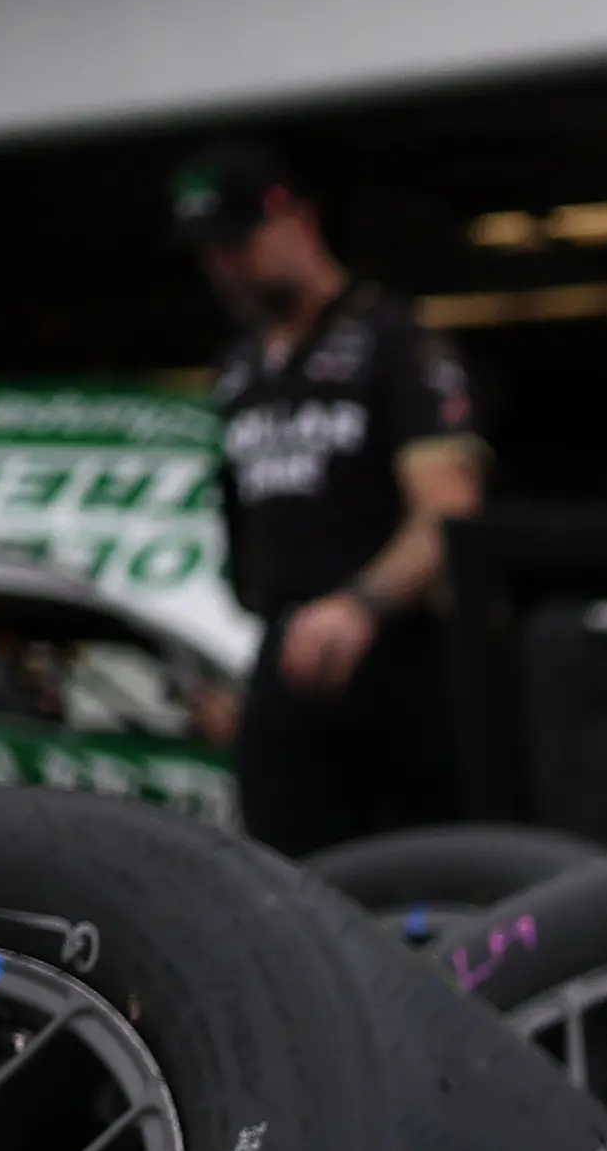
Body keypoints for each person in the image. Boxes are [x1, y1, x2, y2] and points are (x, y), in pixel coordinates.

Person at [173, 138, 485, 851]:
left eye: (238, 242)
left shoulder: (393, 340)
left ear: (296, 221)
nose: (225, 267)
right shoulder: (239, 370)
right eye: (210, 252)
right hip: (287, 662)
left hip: (396, 655)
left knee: (419, 877)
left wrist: (360, 605)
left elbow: (451, 509)